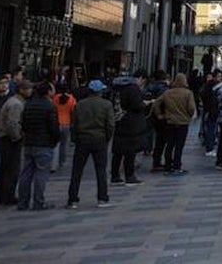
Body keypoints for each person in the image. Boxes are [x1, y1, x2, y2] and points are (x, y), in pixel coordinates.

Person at [66, 80, 115, 209]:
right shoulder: (106, 105)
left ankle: (72, 199)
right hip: (99, 139)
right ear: (100, 91)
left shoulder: (80, 104)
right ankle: (102, 198)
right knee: (101, 170)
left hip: (82, 138)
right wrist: (107, 138)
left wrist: (76, 138)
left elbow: (74, 124)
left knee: (77, 170)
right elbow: (110, 124)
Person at [17, 81, 60, 211]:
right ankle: (38, 202)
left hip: (29, 142)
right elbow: (53, 127)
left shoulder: (28, 104)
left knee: (26, 174)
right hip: (44, 143)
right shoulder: (49, 106)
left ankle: (23, 202)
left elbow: (23, 124)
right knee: (41, 174)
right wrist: (55, 140)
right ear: (48, 92)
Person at [155, 73, 197, 176]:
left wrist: (159, 115)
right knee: (179, 145)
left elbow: (157, 102)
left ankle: (168, 166)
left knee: (169, 145)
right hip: (183, 122)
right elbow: (191, 108)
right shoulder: (188, 93)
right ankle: (177, 166)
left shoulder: (167, 93)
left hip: (170, 121)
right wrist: (190, 115)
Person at [0, 80, 31, 205]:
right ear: (21, 89)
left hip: (5, 137)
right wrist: (17, 137)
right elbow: (12, 123)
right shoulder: (16, 104)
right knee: (11, 169)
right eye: (28, 89)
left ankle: (1, 196)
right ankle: (8, 196)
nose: (30, 91)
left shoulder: (13, 101)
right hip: (10, 139)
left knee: (5, 168)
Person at [111, 70, 148, 186]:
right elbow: (137, 105)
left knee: (118, 152)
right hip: (131, 124)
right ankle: (129, 176)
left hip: (119, 120)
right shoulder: (132, 89)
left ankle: (115, 175)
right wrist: (144, 104)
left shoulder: (117, 88)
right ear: (141, 78)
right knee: (130, 151)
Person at [145, 71, 169, 170]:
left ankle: (148, 149)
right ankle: (157, 161)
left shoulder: (149, 87)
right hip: (161, 117)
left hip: (149, 115)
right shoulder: (165, 89)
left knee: (149, 133)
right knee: (161, 140)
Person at [50, 85, 76, 173]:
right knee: (64, 145)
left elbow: (52, 109)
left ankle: (53, 165)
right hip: (66, 124)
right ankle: (62, 161)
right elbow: (73, 111)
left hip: (56, 124)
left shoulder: (55, 98)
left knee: (56, 144)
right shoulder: (72, 99)